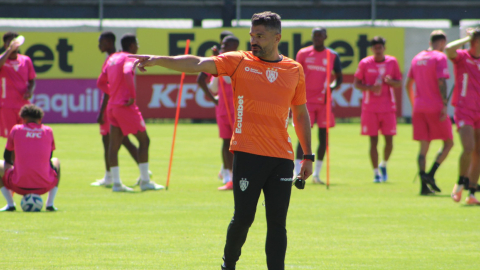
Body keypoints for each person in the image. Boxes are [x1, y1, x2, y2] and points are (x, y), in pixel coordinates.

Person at [130, 11, 313, 270]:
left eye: (260, 35)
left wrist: (307, 155)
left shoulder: (294, 69)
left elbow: (301, 113)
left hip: (282, 159)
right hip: (248, 155)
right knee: (243, 219)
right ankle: (228, 265)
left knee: (277, 223)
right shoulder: (238, 61)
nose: (254, 40)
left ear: (277, 37)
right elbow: (197, 63)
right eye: (252, 35)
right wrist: (160, 60)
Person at [97, 34, 163, 192]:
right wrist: (132, 96)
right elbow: (127, 73)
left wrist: (112, 92)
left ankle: (117, 184)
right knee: (144, 141)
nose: (138, 47)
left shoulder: (112, 58)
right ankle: (145, 182)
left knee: (113, 146)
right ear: (132, 46)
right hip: (125, 106)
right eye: (137, 44)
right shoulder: (129, 57)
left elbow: (100, 82)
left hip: (112, 106)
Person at [91, 31, 144, 188]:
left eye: (101, 42)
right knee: (126, 141)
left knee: (116, 142)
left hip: (112, 107)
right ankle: (141, 174)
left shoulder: (114, 59)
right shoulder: (119, 58)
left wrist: (102, 110)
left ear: (109, 42)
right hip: (118, 105)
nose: (99, 45)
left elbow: (103, 84)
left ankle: (116, 178)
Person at [406, 30, 453, 195]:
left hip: (419, 107)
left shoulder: (417, 58)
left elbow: (408, 84)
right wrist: (445, 104)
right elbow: (442, 81)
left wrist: (414, 104)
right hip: (435, 106)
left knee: (423, 148)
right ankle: (431, 174)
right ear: (441, 43)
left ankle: (423, 186)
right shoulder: (440, 57)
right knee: (448, 143)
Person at [295, 27, 343, 184]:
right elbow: (297, 74)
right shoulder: (303, 53)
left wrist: (332, 87)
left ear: (325, 37)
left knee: (324, 137)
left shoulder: (332, 55)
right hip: (306, 101)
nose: (317, 38)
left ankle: (316, 175)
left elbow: (339, 77)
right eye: (315, 35)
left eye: (320, 35)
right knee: (302, 137)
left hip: (324, 102)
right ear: (312, 37)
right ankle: (297, 172)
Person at [354, 36, 402, 183]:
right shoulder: (365, 63)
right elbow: (357, 83)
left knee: (389, 141)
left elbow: (399, 83)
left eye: (380, 48)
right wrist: (370, 88)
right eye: (375, 48)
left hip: (388, 107)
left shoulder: (392, 62)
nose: (378, 50)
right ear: (372, 49)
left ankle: (383, 164)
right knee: (373, 141)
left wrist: (390, 82)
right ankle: (376, 173)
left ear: (384, 48)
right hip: (370, 108)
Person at [0, 104, 60, 212]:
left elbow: (6, 156)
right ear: (40, 119)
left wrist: (17, 168)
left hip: (18, 185)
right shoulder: (48, 130)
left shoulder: (16, 129)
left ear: (23, 118)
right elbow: (49, 157)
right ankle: (50, 204)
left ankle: (10, 204)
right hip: (44, 185)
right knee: (56, 162)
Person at [199, 35, 239, 190]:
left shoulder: (239, 60)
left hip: (238, 109)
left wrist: (219, 61)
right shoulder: (217, 60)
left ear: (234, 46)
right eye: (222, 44)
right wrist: (214, 99)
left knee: (238, 144)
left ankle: (237, 176)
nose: (222, 47)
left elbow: (229, 80)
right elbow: (211, 86)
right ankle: (228, 177)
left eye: (226, 45)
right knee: (225, 141)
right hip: (223, 109)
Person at [446, 28, 480, 205]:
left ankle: (472, 193)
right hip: (464, 108)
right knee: (468, 147)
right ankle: (460, 183)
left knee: (478, 152)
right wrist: (467, 38)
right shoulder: (462, 57)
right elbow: (448, 49)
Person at [0, 32, 36, 138]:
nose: (14, 44)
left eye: (15, 41)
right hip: (7, 105)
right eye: (10, 42)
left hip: (23, 105)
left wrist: (30, 90)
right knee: (12, 137)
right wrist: (9, 50)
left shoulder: (26, 60)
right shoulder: (2, 59)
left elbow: (32, 80)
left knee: (25, 135)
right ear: (5, 44)